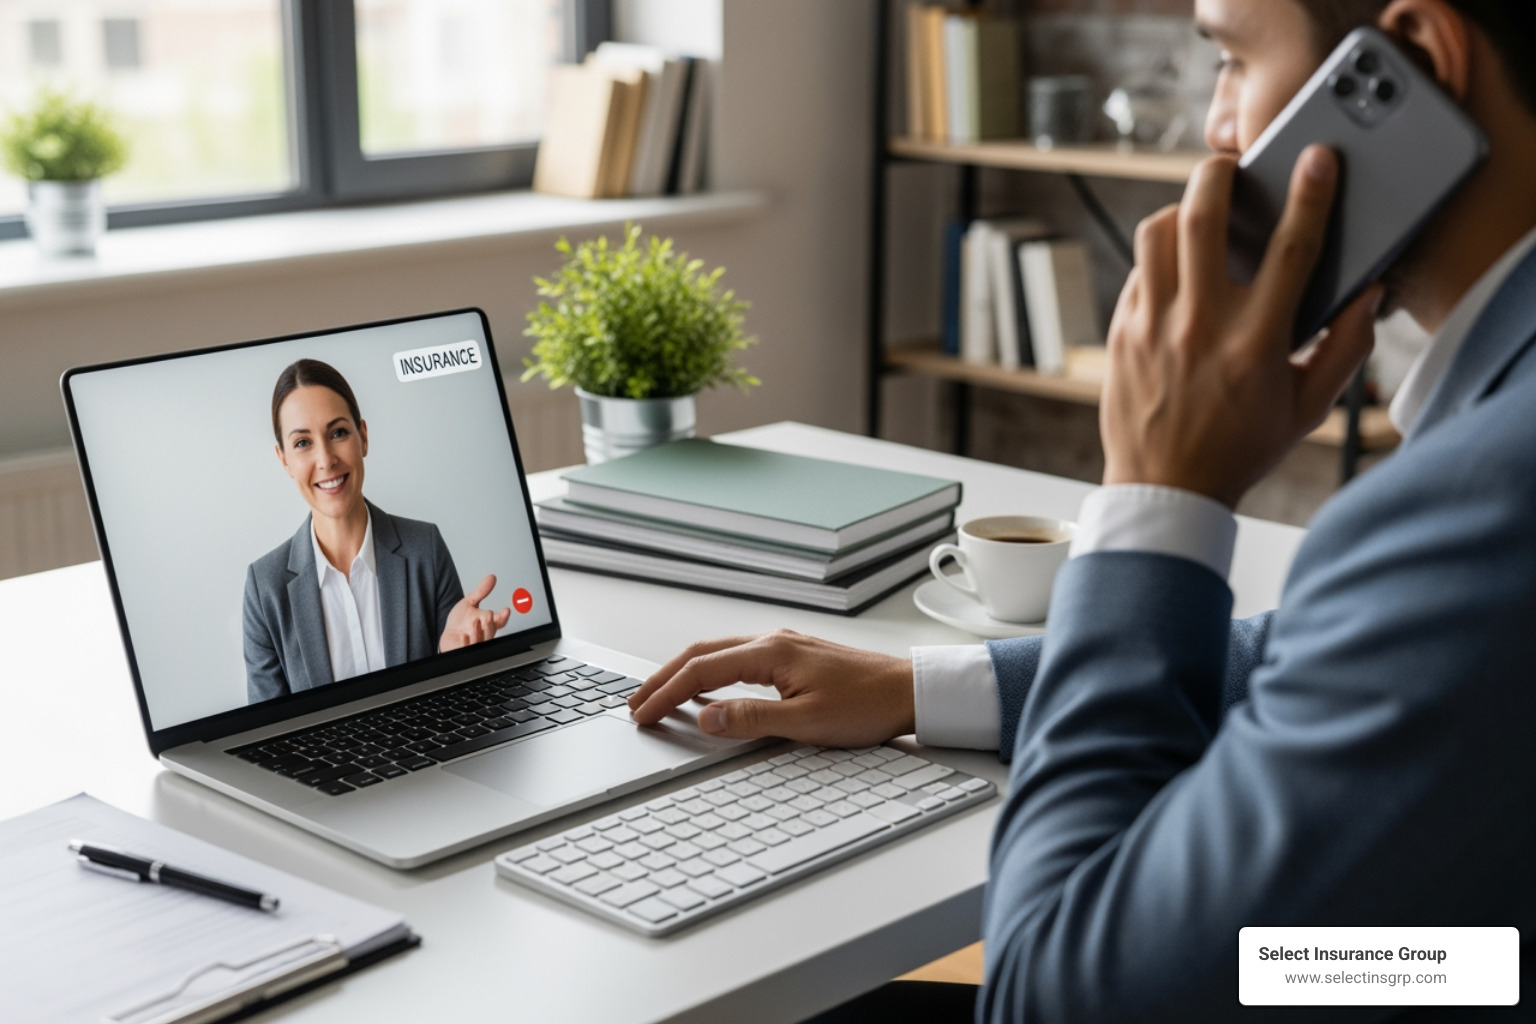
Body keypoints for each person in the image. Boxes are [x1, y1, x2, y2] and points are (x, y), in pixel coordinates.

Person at [628, 0, 1536, 1019]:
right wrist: (925, 687)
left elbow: (1048, 993)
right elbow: (1351, 658)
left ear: (1411, 60)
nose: (1219, 128)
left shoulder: (1484, 506)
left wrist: (1157, 491)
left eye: (1233, 61)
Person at [243, 358, 510, 703]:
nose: (326, 460)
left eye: (338, 433)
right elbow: (267, 738)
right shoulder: (265, 588)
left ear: (363, 437)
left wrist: (454, 659)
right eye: (302, 443)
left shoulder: (424, 549)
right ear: (284, 460)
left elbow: (463, 709)